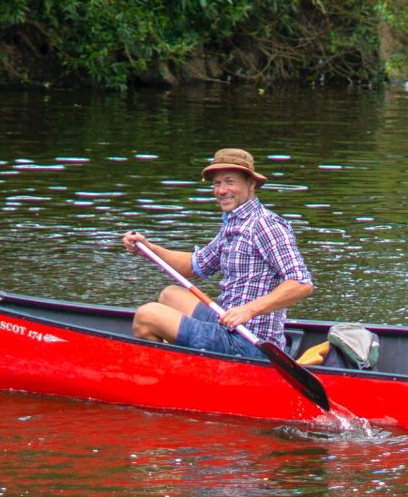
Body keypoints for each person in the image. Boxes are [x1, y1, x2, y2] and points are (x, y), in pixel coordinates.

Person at [121, 148, 314, 357]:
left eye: (230, 182)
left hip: (249, 342)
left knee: (146, 316)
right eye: (217, 183)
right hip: (227, 323)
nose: (221, 190)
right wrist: (150, 249)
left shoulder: (266, 226)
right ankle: (184, 359)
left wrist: (247, 310)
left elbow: (301, 283)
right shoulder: (235, 222)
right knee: (170, 294)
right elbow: (195, 265)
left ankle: (173, 372)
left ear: (250, 184)